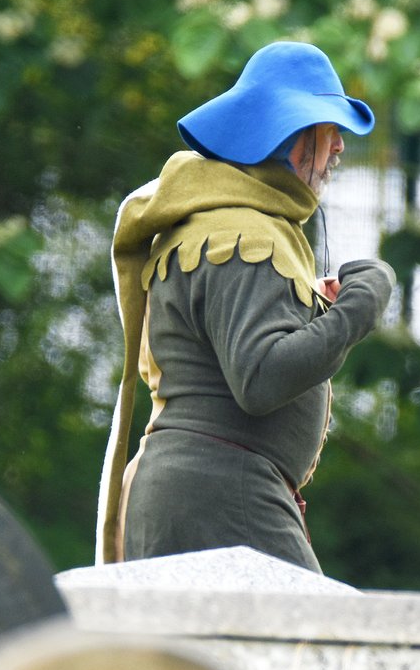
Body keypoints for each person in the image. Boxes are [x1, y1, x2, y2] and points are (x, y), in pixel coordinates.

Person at [96, 41, 396, 572]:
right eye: (330, 130)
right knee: (318, 651)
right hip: (221, 494)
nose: (340, 148)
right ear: (291, 136)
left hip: (208, 491)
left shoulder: (228, 224)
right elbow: (261, 376)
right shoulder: (242, 234)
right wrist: (360, 308)